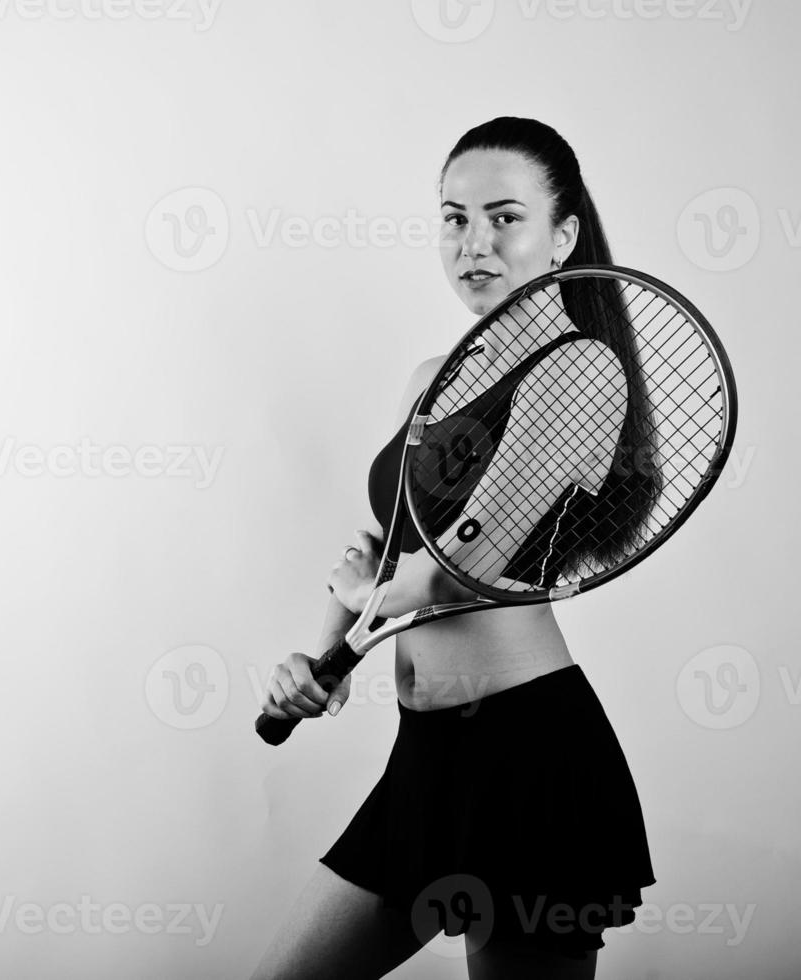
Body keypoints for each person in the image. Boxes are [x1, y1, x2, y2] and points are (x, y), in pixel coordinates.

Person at [252, 117, 656, 980]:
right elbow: (382, 542)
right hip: (427, 753)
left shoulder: (580, 368)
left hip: (528, 755)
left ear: (564, 235)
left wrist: (381, 587)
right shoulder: (433, 373)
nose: (474, 242)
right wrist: (322, 656)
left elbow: (450, 567)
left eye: (504, 216)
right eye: (453, 217)